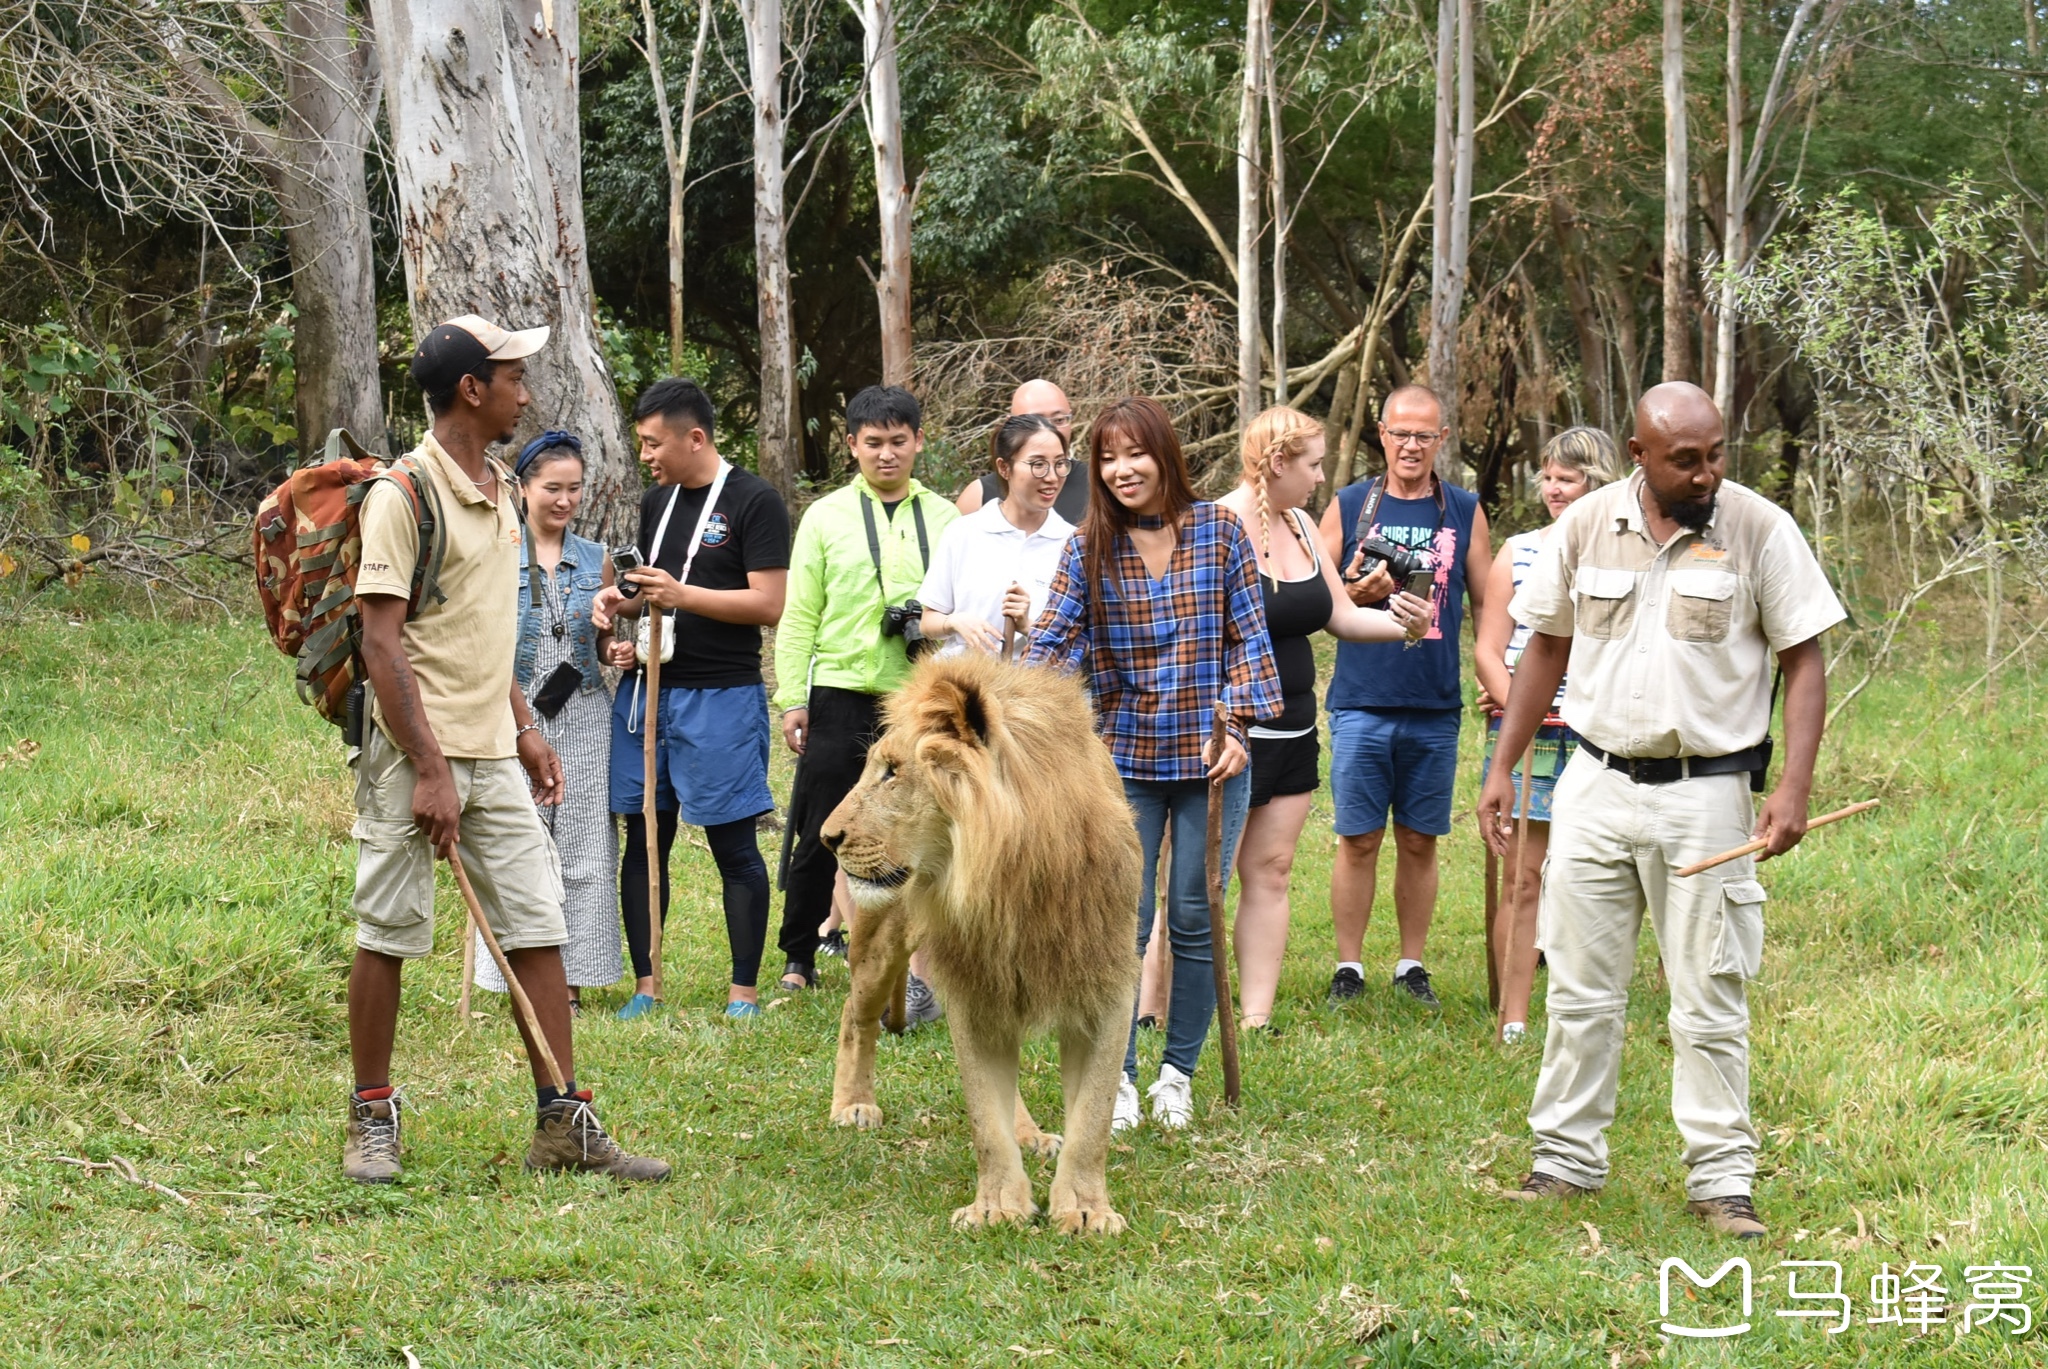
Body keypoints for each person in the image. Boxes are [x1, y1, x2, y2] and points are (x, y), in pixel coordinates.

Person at [1481, 382, 1845, 1240]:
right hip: (1595, 784)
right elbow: (1546, 649)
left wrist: (1790, 785)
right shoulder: (1586, 523)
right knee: (1578, 987)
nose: (1708, 471)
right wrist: (1504, 764)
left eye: (1716, 453)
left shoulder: (1758, 527)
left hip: (1709, 794)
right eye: (1687, 459)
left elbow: (1805, 660)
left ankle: (1723, 1181)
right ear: (1639, 453)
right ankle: (1564, 1163)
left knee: (1709, 994)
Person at [344, 315, 666, 1185]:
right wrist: (433, 769)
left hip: (491, 750)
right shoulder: (400, 495)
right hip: (412, 756)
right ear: (471, 390)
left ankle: (564, 1120)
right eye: (513, 376)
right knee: (388, 931)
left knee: (537, 924)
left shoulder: (496, 489)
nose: (526, 390)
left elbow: (488, 639)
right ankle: (372, 1114)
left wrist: (523, 725)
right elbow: (382, 646)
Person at [1025, 396, 1280, 1131]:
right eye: (1106, 457)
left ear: (1164, 454)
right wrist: (1003, 706)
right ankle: (1121, 1077)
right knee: (1123, 923)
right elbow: (1052, 643)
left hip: (1212, 759)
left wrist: (1238, 725)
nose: (1121, 469)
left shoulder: (1221, 533)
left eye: (1134, 453)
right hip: (1124, 761)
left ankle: (1179, 1072)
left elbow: (1248, 645)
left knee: (1195, 917)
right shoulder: (1087, 547)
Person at [1214, 407, 1431, 1032]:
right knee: (1201, 878)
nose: (1318, 477)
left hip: (1295, 727)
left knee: (1271, 869)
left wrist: (1403, 623)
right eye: (1311, 464)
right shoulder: (1215, 525)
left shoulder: (1305, 525)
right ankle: (1158, 1011)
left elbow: (1340, 616)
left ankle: (1255, 1015)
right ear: (1277, 463)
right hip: (1228, 730)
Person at [588, 378, 789, 1021]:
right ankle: (647, 985)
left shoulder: (755, 501)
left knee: (734, 846)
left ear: (694, 438)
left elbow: (769, 604)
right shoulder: (658, 502)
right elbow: (653, 591)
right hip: (651, 691)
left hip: (721, 696)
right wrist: (621, 602)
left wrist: (682, 596)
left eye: (653, 443)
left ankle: (743, 992)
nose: (645, 454)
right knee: (646, 838)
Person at [774, 385, 959, 1010]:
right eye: (873, 443)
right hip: (842, 689)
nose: (886, 455)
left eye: (898, 442)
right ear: (851, 445)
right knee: (823, 825)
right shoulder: (825, 517)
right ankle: (800, 953)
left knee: (921, 829)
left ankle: (919, 962)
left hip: (916, 697)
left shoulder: (946, 519)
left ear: (919, 442)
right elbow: (800, 614)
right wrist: (792, 698)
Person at [1316, 384, 1493, 1010]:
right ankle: (1349, 967)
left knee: (1420, 838)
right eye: (1400, 433)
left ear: (1441, 439)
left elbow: (1490, 602)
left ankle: (1411, 965)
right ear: (1382, 435)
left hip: (1434, 703)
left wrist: (1495, 670)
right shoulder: (1349, 505)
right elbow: (1315, 594)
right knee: (1358, 838)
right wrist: (1358, 593)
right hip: (1363, 697)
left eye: (1425, 435)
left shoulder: (1464, 509)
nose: (1411, 445)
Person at [1472, 427, 1622, 1045]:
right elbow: (1488, 650)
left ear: (1599, 482)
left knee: (1593, 879)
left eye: (1569, 477)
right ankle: (1514, 1016)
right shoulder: (1519, 551)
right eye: (1548, 477)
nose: (1554, 489)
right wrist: (1523, 713)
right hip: (1530, 735)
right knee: (1523, 877)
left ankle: (1583, 1009)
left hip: (1603, 737)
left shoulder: (1620, 552)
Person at [470, 431, 623, 1013]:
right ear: (524, 489)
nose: (564, 500)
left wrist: (616, 651)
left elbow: (603, 645)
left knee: (585, 846)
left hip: (583, 709)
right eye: (551, 488)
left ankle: (573, 983)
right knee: (517, 843)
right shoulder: (496, 553)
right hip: (513, 707)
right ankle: (517, 979)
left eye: (574, 489)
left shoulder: (594, 557)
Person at [919, 413, 1075, 657]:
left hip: (1036, 690)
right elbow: (928, 622)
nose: (1052, 477)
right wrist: (954, 622)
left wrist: (1028, 626)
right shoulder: (963, 533)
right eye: (1038, 464)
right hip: (964, 687)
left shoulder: (1072, 544)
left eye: (1060, 463)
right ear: (1004, 468)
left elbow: (1078, 645)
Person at [955, 379, 1088, 524]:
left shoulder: (1096, 484)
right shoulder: (978, 495)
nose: (1048, 429)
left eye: (1059, 420)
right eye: (1035, 420)